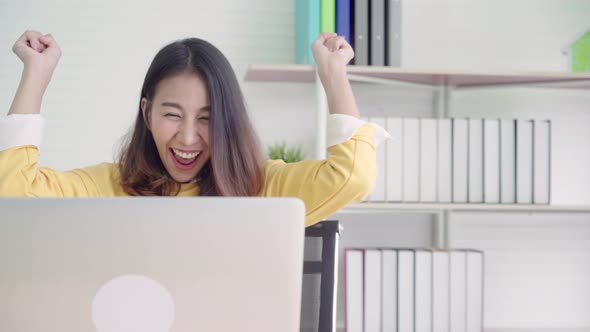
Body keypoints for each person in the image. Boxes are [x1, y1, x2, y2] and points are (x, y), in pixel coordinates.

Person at [0, 30, 390, 227]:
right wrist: (36, 76)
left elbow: (352, 176)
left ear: (228, 121)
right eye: (172, 115)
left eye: (206, 118)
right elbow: (12, 197)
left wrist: (334, 76)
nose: (188, 138)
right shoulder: (105, 188)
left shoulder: (264, 189)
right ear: (147, 113)